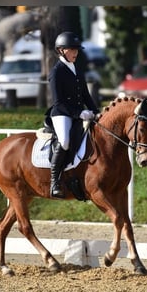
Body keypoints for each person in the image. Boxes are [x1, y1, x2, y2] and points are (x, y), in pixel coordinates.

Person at [48, 31, 100, 198]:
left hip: (79, 113)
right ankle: (54, 181)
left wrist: (96, 112)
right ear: (62, 50)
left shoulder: (77, 69)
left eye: (77, 49)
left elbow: (85, 95)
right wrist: (79, 113)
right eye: (72, 49)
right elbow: (58, 103)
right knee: (64, 140)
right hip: (61, 114)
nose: (76, 52)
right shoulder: (56, 72)